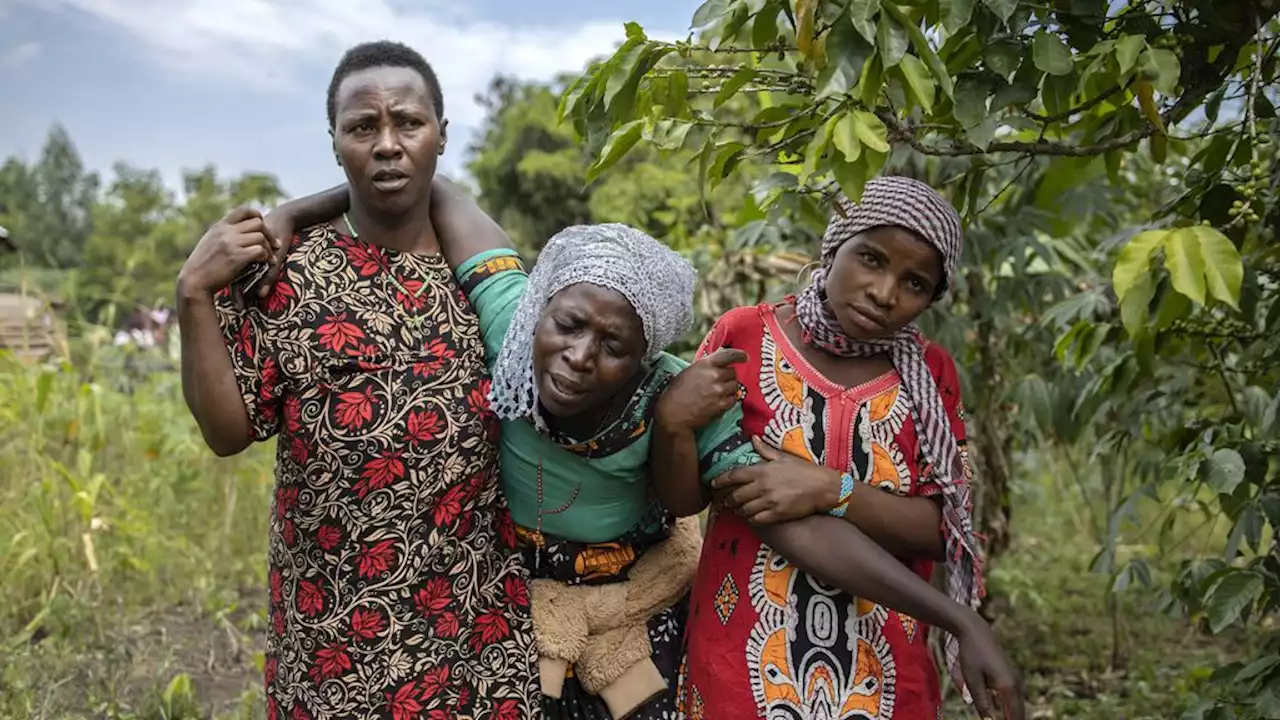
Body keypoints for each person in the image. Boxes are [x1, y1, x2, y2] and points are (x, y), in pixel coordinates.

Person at [267, 177, 1024, 720]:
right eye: (567, 326)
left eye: (615, 345)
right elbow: (440, 188)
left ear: (651, 356)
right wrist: (292, 213)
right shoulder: (514, 330)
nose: (577, 356)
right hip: (508, 611)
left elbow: (726, 500)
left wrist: (958, 616)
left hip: (646, 608)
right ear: (541, 309)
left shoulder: (677, 390)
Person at [176, 41, 538, 719]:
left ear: (441, 135)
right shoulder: (286, 275)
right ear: (336, 142)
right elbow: (227, 434)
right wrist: (193, 294)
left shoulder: (487, 280)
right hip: (333, 637)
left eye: (409, 122)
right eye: (363, 127)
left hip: (476, 632)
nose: (389, 144)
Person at [671, 175, 1016, 719]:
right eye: (871, 259)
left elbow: (942, 531)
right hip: (739, 672)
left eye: (915, 283)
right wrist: (672, 420)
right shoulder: (744, 338)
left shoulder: (932, 376)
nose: (885, 293)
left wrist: (832, 489)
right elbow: (686, 495)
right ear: (833, 248)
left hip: (884, 677)